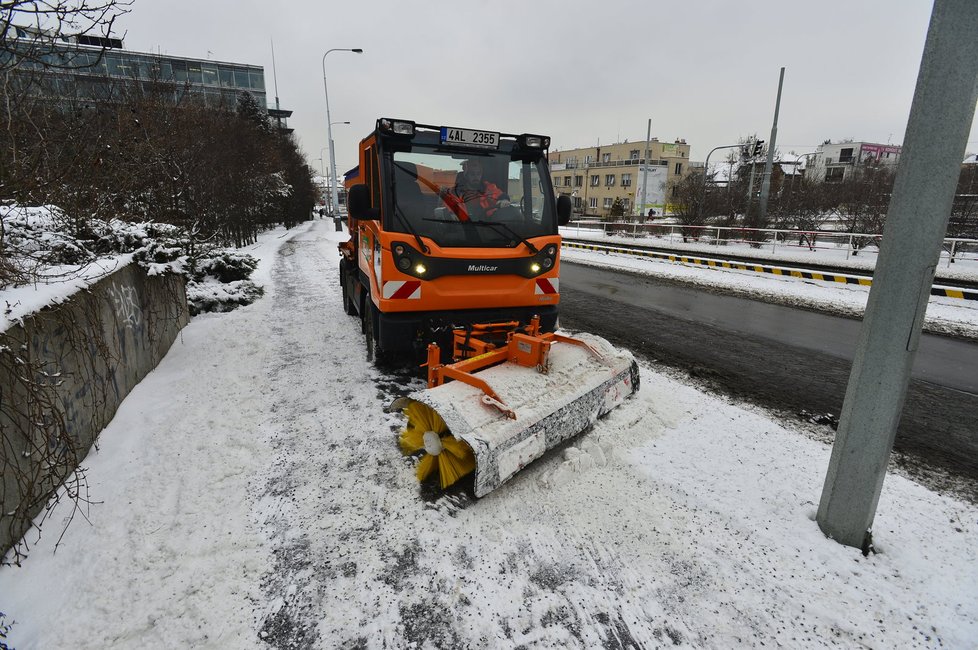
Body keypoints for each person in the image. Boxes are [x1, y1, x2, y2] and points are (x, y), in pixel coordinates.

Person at [440, 158, 510, 221]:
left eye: (478, 174)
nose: (476, 177)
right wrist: (452, 213)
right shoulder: (455, 192)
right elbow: (447, 206)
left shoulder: (488, 188)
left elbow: (500, 195)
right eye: (472, 174)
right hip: (462, 227)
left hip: (487, 226)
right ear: (466, 175)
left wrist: (504, 200)